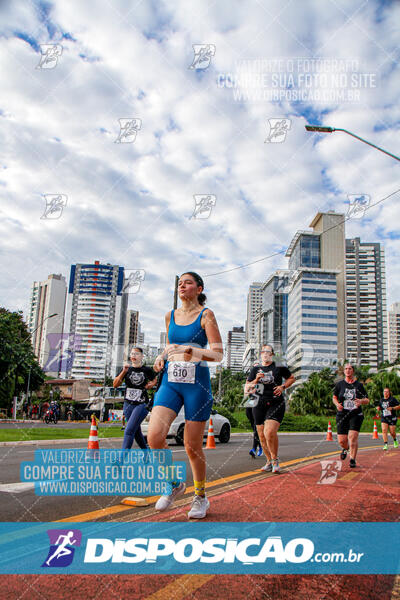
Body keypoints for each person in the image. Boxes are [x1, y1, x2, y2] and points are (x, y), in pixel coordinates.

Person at [148, 272, 223, 519]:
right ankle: (174, 484)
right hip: (171, 382)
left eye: (188, 282)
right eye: (180, 282)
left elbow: (218, 354)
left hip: (196, 385)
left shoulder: (206, 315)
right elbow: (170, 347)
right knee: (154, 437)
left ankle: (200, 497)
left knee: (192, 446)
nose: (182, 285)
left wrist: (193, 350)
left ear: (199, 288)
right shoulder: (170, 316)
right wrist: (161, 357)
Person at [245, 345, 295, 473]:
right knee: (261, 436)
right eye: (263, 352)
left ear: (272, 354)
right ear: (260, 354)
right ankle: (268, 461)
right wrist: (256, 379)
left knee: (269, 432)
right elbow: (248, 387)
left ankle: (275, 460)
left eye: (268, 352)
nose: (265, 354)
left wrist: (283, 387)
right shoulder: (255, 369)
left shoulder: (279, 366)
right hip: (258, 403)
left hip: (275, 403)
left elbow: (291, 378)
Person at [113, 347, 158, 450]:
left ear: (142, 356)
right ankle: (146, 452)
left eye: (137, 354)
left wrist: (151, 384)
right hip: (128, 404)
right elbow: (115, 384)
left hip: (141, 404)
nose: (134, 355)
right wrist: (123, 372)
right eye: (132, 353)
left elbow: (155, 379)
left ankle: (121, 460)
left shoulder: (146, 370)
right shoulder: (126, 369)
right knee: (136, 431)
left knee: (129, 430)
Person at [333, 363, 369, 468]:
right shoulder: (340, 385)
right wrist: (337, 405)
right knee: (342, 441)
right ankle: (345, 448)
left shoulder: (359, 385)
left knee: (352, 437)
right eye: (346, 369)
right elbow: (334, 397)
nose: (348, 370)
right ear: (344, 371)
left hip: (356, 414)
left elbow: (367, 400)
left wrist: (361, 401)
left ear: (353, 371)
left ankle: (352, 459)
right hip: (342, 414)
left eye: (350, 369)